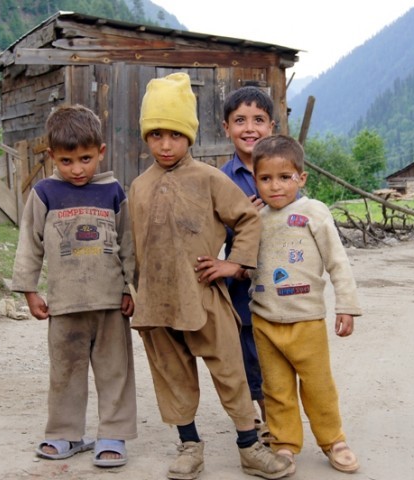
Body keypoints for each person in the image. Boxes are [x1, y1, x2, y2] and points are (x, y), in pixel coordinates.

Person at [128, 72, 294, 480]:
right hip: (158, 305)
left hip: (205, 297)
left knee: (231, 372)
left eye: (175, 135)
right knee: (172, 375)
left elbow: (247, 221)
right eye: (156, 135)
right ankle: (189, 445)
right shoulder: (138, 187)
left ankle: (249, 447)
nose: (166, 145)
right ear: (146, 137)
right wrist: (130, 289)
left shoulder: (209, 179)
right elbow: (131, 244)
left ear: (191, 136)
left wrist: (234, 265)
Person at [11, 104, 137, 468]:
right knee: (65, 371)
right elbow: (29, 242)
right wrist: (29, 290)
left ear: (100, 152)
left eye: (85, 158)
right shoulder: (45, 193)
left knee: (115, 370)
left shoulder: (113, 191)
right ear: (51, 156)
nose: (77, 169)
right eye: (67, 161)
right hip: (64, 305)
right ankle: (66, 433)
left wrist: (130, 289)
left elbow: (129, 244)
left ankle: (113, 432)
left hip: (110, 304)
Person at [245, 134, 362, 474]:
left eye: (285, 177)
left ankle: (333, 440)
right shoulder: (256, 217)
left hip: (306, 318)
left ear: (302, 178)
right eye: (265, 178)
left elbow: (337, 261)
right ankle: (284, 444)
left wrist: (346, 305)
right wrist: (244, 224)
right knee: (276, 389)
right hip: (265, 320)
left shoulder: (314, 212)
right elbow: (240, 260)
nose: (275, 187)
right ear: (255, 180)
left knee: (318, 385)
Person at [220, 86, 276, 432]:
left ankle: (282, 413)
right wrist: (239, 222)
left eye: (258, 119)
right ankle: (265, 415)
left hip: (282, 279)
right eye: (240, 120)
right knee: (249, 352)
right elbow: (212, 234)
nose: (249, 128)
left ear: (272, 126)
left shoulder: (284, 172)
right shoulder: (221, 179)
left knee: (281, 348)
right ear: (226, 128)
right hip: (242, 285)